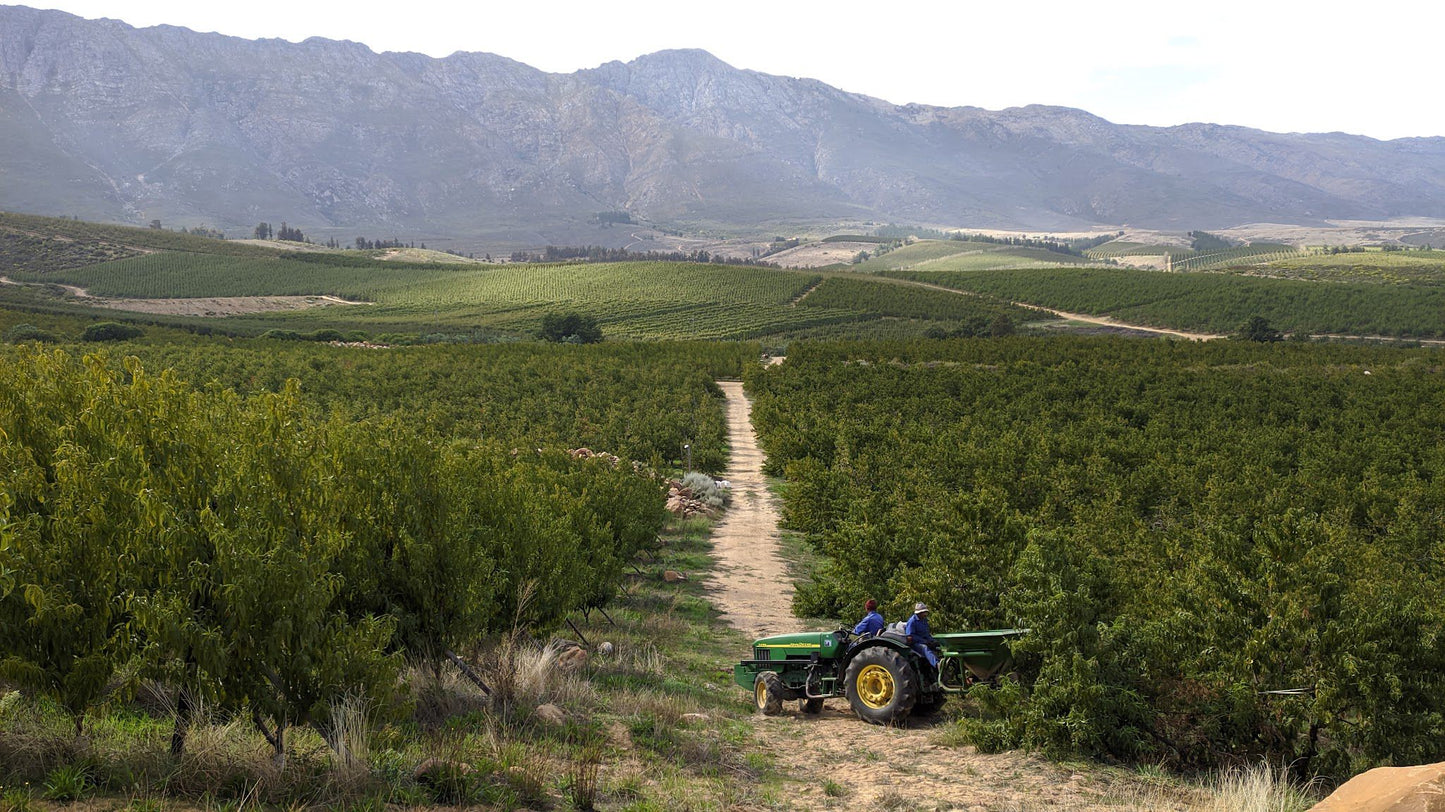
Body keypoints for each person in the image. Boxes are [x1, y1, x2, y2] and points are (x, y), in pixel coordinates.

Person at [905, 601, 939, 669]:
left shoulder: (924, 620)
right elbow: (910, 636)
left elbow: (926, 633)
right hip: (916, 644)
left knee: (937, 645)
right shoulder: (912, 621)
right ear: (919, 613)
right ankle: (937, 664)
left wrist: (931, 641)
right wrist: (923, 641)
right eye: (923, 613)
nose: (925, 614)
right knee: (925, 648)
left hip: (926, 640)